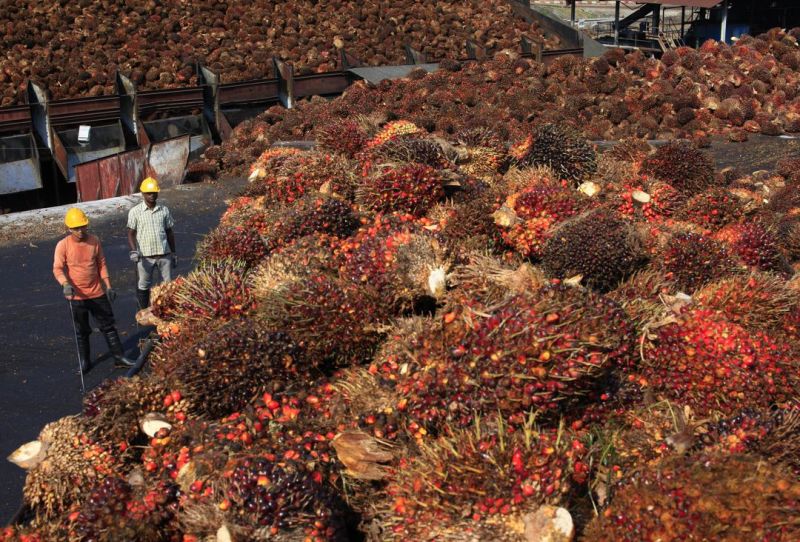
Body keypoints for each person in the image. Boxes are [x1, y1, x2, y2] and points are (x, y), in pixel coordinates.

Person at [53, 208, 135, 373]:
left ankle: (119, 357)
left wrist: (108, 286)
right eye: (76, 228)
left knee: (108, 325)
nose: (80, 231)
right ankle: (85, 362)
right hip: (76, 296)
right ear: (69, 228)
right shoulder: (63, 245)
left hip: (97, 292)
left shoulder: (94, 241)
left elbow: (101, 264)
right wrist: (65, 284)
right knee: (82, 331)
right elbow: (57, 268)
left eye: (83, 226)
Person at [127, 177, 176, 309]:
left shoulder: (164, 210)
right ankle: (143, 311)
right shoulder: (135, 212)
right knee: (143, 285)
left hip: (164, 254)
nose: (152, 195)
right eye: (149, 193)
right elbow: (131, 233)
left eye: (154, 192)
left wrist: (174, 253)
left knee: (168, 285)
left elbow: (169, 232)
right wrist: (133, 251)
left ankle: (169, 310)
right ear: (142, 194)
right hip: (145, 256)